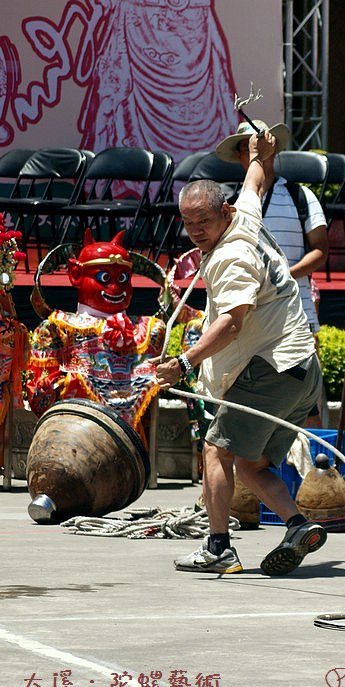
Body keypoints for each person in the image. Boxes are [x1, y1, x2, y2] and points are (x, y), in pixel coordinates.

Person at [152, 130, 326, 576]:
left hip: (272, 370)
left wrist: (184, 362)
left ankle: (219, 547)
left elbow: (232, 323)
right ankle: (297, 525)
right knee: (251, 463)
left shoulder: (233, 257)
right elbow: (255, 185)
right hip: (301, 367)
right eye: (189, 225)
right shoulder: (243, 215)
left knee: (215, 451)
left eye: (203, 224)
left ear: (223, 214)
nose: (196, 234)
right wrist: (257, 155)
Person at [216, 119, 328, 426]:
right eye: (246, 147)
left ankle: (307, 473)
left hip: (297, 313)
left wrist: (281, 278)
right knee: (242, 405)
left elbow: (320, 249)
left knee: (306, 408)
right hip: (246, 317)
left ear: (272, 148)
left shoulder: (301, 196)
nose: (254, 151)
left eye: (260, 144)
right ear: (241, 155)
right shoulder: (229, 205)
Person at [27, 230, 165, 441]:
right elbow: (39, 397)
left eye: (123, 278)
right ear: (76, 275)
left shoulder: (150, 330)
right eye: (105, 277)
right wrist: (67, 384)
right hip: (72, 436)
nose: (115, 287)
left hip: (132, 444)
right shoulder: (57, 328)